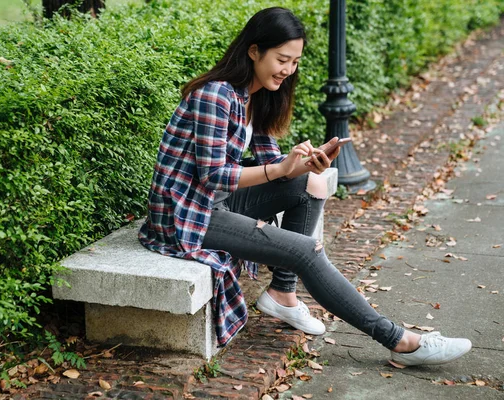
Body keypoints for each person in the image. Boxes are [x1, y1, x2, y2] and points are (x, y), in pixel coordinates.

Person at [139, 7, 471, 366]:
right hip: (186, 214)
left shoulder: (258, 95)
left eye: (295, 62)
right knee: (306, 251)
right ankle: (401, 342)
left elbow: (271, 163)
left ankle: (282, 293)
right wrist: (279, 167)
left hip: (216, 203)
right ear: (254, 51)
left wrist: (300, 164)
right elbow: (213, 176)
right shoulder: (215, 95)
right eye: (282, 59)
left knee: (307, 181)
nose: (288, 70)